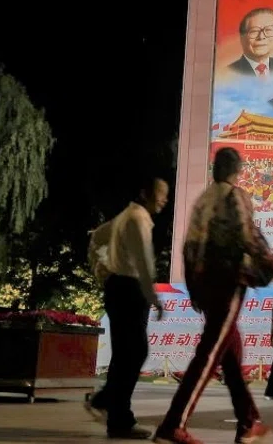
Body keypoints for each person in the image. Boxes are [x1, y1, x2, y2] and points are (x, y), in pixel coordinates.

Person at [153, 147, 273, 444]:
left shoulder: (203, 200)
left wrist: (193, 289)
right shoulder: (234, 196)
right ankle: (173, 424)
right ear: (237, 170)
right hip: (228, 280)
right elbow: (248, 236)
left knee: (230, 355)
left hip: (204, 283)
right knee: (209, 353)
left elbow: (188, 248)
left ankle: (248, 422)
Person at [84, 178, 169, 440]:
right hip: (129, 288)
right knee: (134, 351)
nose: (164, 199)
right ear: (144, 193)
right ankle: (112, 409)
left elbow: (97, 237)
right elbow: (143, 260)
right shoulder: (137, 217)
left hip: (121, 288)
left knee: (126, 354)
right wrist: (152, 294)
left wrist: (102, 270)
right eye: (160, 193)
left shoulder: (127, 215)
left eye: (166, 194)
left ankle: (112, 409)